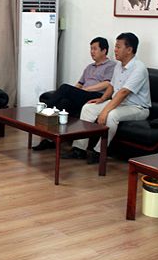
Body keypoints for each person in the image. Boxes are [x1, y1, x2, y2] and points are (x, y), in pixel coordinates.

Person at [66, 32, 151, 163]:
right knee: (88, 108)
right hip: (119, 103)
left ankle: (99, 152)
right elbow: (112, 85)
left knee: (112, 115)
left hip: (137, 108)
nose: (115, 50)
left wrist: (105, 111)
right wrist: (102, 100)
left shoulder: (139, 68)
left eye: (118, 47)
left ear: (129, 50)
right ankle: (79, 149)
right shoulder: (118, 65)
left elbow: (123, 92)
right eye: (115, 46)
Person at [33, 37, 116, 151]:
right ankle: (50, 140)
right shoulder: (89, 67)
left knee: (64, 87)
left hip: (97, 96)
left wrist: (86, 89)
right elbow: (79, 84)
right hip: (84, 94)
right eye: (91, 49)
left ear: (104, 50)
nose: (92, 52)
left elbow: (107, 84)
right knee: (63, 102)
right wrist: (73, 92)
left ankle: (43, 110)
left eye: (95, 49)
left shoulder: (111, 66)